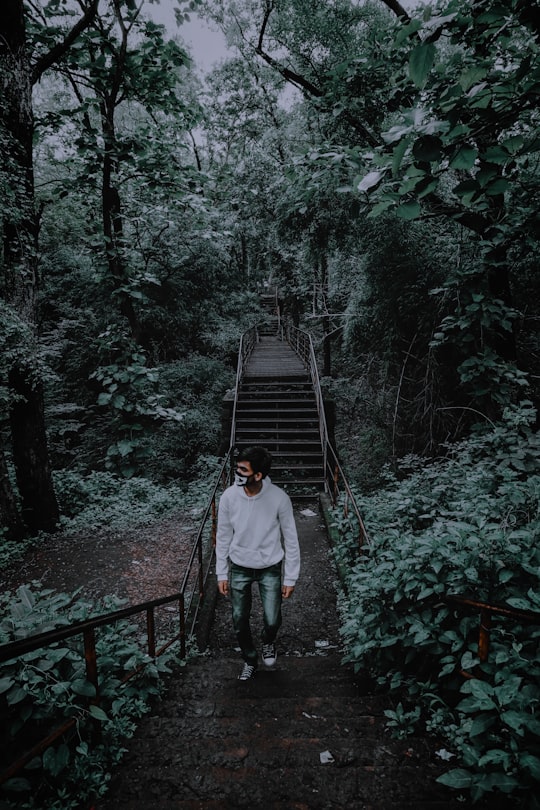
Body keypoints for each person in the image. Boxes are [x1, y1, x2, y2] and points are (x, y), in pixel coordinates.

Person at [216, 446, 301, 681]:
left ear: (258, 475)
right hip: (240, 566)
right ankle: (250, 659)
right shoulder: (229, 497)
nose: (237, 472)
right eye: (237, 467)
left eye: (243, 469)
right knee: (239, 620)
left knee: (273, 619)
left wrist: (291, 576)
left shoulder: (279, 498)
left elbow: (291, 539)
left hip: (270, 567)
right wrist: (221, 573)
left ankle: (268, 641)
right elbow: (222, 536)